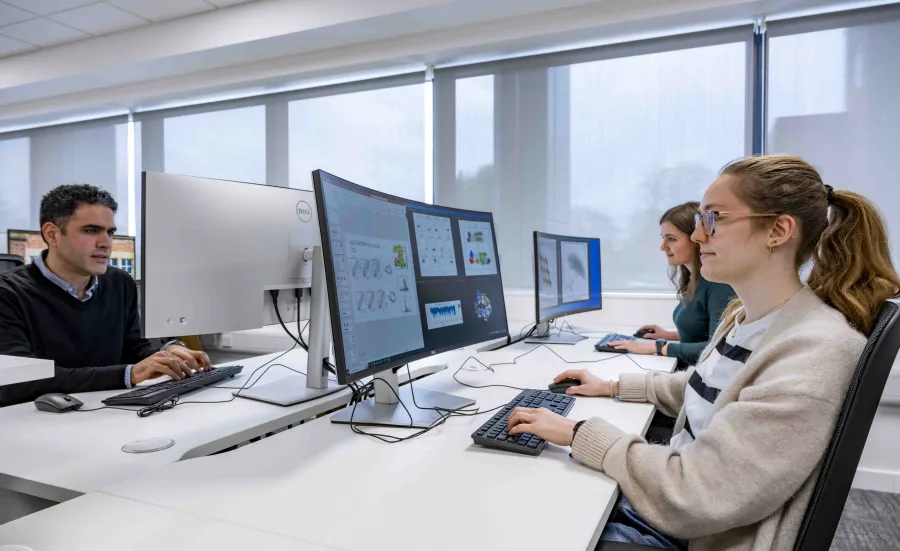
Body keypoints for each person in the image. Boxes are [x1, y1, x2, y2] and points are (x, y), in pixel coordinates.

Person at [507, 155, 900, 550]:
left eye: (713, 218)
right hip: (671, 505)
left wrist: (579, 434)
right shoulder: (748, 317)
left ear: (778, 230)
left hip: (689, 530)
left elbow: (696, 495)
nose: (697, 236)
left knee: (521, 522)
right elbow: (710, 389)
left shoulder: (814, 351)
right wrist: (611, 386)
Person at [0, 184, 211, 407]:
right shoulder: (8, 293)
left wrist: (168, 353)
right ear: (52, 234)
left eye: (110, 232)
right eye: (91, 230)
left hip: (107, 411)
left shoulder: (119, 283)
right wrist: (129, 374)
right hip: (33, 423)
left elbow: (134, 349)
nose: (106, 243)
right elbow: (19, 380)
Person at [608, 202, 735, 366]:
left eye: (672, 239)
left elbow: (716, 348)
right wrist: (670, 336)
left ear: (696, 238)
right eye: (663, 238)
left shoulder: (719, 283)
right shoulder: (694, 279)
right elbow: (700, 333)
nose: (663, 247)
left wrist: (659, 346)